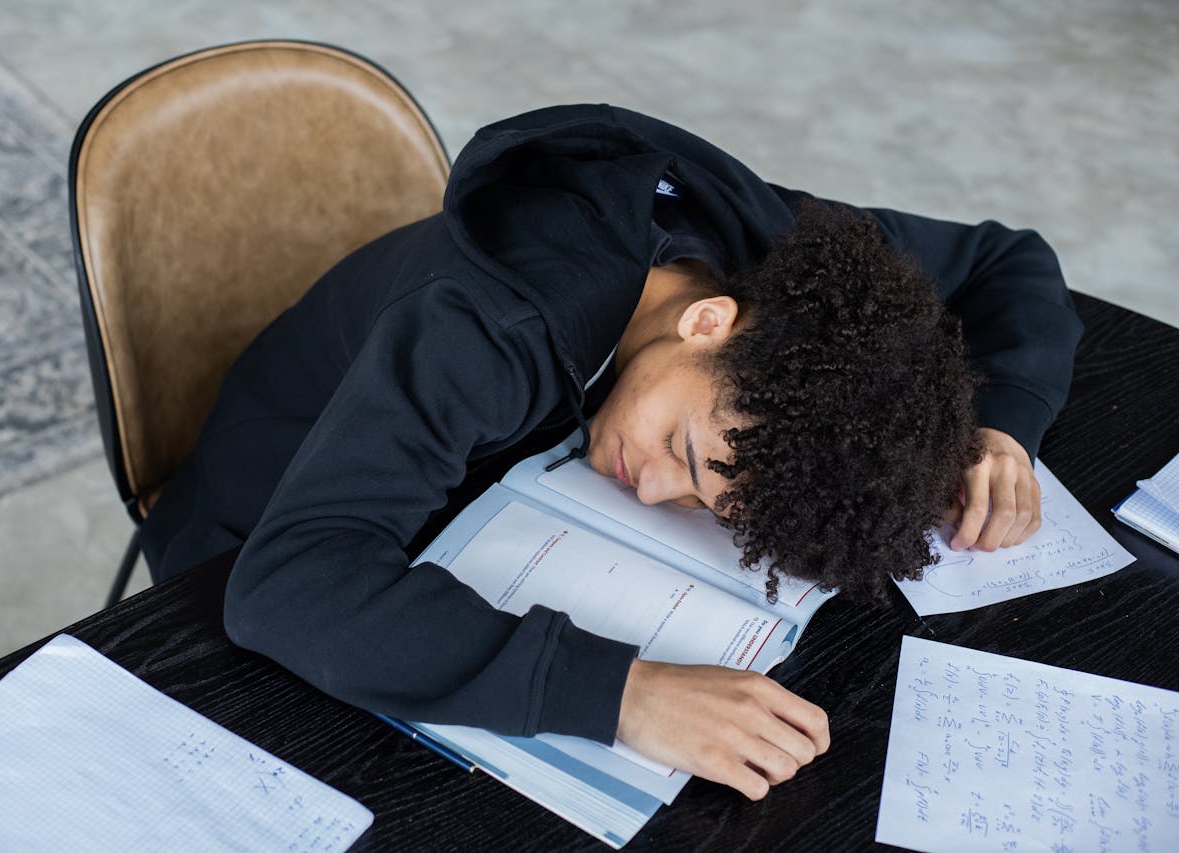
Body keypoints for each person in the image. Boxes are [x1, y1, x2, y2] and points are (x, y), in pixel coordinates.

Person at [139, 103, 1081, 802]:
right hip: (249, 532)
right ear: (709, 321)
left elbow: (1009, 264)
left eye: (710, 508)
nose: (654, 487)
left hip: (472, 502)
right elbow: (287, 586)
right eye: (688, 452)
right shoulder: (486, 328)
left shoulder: (773, 269)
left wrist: (998, 425)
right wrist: (623, 694)